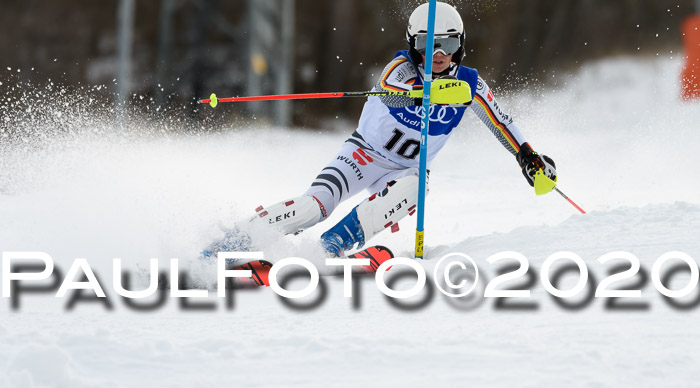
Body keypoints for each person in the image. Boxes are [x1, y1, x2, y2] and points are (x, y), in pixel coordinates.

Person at [204, 1, 557, 259]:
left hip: (406, 170)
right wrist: (424, 94)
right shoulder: (401, 69)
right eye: (425, 44)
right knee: (315, 205)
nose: (436, 54)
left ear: (459, 47)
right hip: (362, 155)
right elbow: (393, 93)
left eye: (446, 45)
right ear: (412, 45)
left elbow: (502, 121)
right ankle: (231, 243)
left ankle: (329, 250)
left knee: (419, 184)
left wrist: (526, 156)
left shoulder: (470, 84)